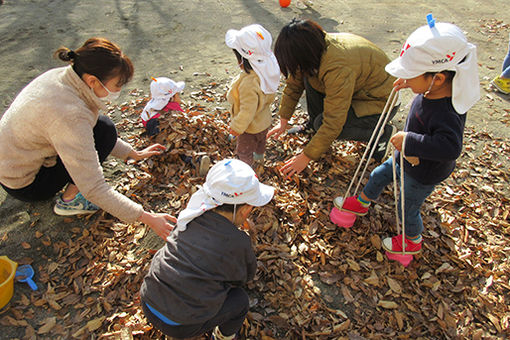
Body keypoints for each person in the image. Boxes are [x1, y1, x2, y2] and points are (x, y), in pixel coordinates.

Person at [0, 38, 175, 240]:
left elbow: (91, 132)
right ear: (92, 81)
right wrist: (148, 217)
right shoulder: (70, 115)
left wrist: (131, 154)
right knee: (104, 131)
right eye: (117, 85)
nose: (118, 91)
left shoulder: (63, 76)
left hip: (11, 160)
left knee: (104, 128)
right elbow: (93, 187)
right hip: (25, 183)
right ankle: (69, 201)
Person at [336, 18, 480, 254]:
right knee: (378, 174)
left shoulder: (446, 111)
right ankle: (361, 203)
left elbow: (451, 147)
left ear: (438, 78)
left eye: (412, 74)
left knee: (407, 206)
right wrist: (410, 83)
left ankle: (411, 240)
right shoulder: (430, 89)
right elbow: (420, 87)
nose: (408, 78)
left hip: (423, 171)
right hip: (406, 155)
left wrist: (410, 141)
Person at [140, 159, 274, 340]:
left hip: (148, 299)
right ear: (245, 209)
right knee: (240, 301)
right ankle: (222, 336)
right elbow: (244, 278)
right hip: (180, 325)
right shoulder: (238, 242)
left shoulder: (191, 216)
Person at [267, 19, 398, 177]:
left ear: (304, 54)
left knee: (324, 123)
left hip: (379, 101)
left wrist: (305, 157)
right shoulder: (313, 49)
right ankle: (313, 126)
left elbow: (333, 122)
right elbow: (294, 84)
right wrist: (283, 121)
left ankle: (381, 133)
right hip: (356, 90)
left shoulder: (337, 66)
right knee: (309, 78)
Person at [225, 24, 280, 166]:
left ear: (243, 60)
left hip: (250, 128)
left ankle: (247, 172)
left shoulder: (249, 84)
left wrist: (236, 127)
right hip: (264, 122)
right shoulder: (266, 72)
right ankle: (259, 158)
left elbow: (247, 111)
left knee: (244, 151)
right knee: (260, 143)